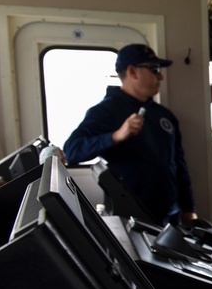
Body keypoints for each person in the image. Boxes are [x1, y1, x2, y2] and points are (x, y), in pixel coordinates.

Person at [64, 44, 197, 226]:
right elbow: (73, 150)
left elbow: (179, 164)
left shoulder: (164, 115)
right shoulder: (106, 111)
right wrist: (116, 136)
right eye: (155, 69)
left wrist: (189, 209)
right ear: (133, 72)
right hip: (131, 217)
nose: (160, 77)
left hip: (171, 216)